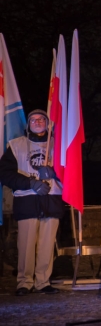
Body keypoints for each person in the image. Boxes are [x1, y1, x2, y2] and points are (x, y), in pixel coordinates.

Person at [0, 110, 64, 295]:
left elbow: (71, 170)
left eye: (41, 119)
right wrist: (30, 182)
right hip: (27, 200)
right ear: (28, 124)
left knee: (46, 244)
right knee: (26, 245)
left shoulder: (57, 145)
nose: (37, 122)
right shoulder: (17, 145)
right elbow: (4, 173)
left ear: (47, 123)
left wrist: (54, 172)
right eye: (33, 120)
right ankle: (24, 282)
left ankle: (43, 282)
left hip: (51, 199)